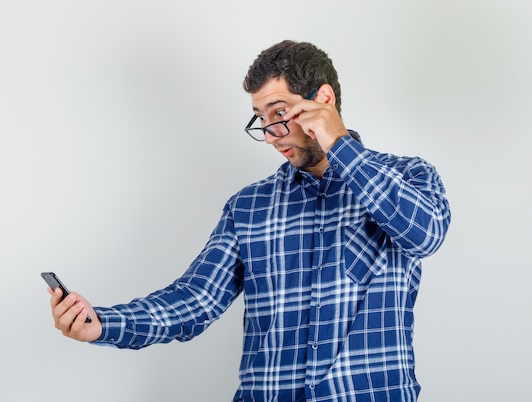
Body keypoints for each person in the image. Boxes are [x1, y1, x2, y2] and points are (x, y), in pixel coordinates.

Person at [47, 40, 451, 401]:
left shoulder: (408, 177)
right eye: (261, 118)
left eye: (279, 113)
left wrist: (339, 145)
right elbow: (195, 299)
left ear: (323, 100)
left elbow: (425, 235)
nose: (272, 134)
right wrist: (102, 324)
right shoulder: (248, 207)